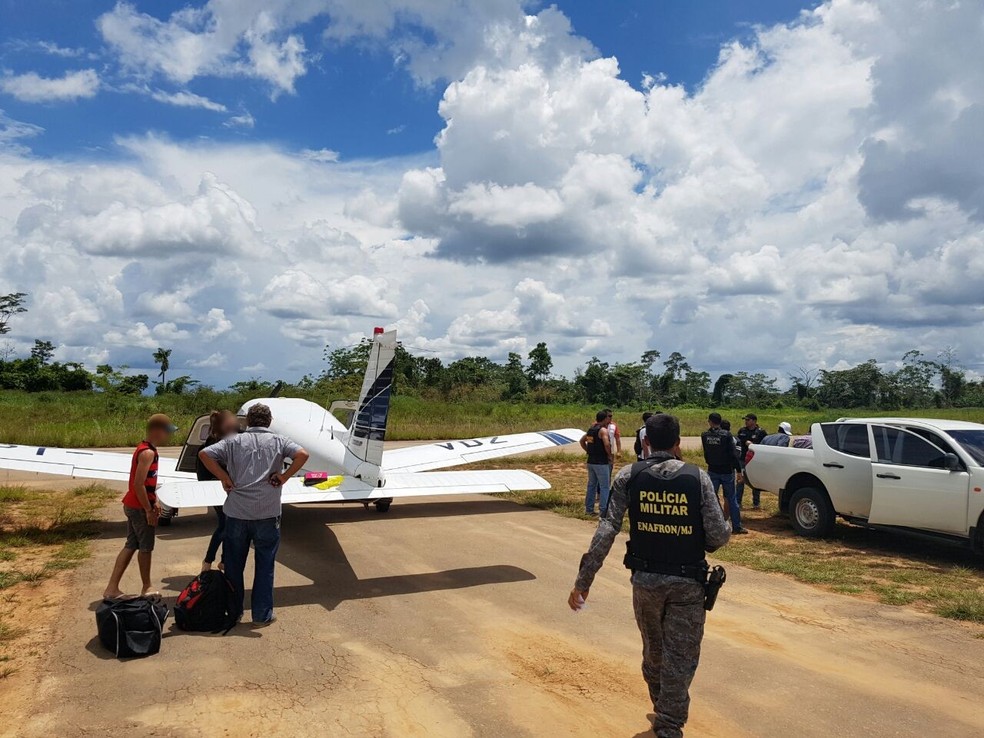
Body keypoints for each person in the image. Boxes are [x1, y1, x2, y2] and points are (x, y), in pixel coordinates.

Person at [569, 413, 731, 738]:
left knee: (654, 655)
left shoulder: (629, 476)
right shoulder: (696, 478)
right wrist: (722, 524)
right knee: (681, 658)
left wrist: (583, 583)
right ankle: (669, 725)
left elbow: (606, 530)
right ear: (679, 443)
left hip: (645, 584)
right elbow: (717, 538)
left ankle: (664, 711)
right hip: (687, 586)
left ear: (644, 441)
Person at [199, 403, 310, 625]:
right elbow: (302, 454)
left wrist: (224, 476)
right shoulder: (280, 441)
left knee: (233, 566)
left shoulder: (233, 441)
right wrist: (285, 476)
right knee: (265, 566)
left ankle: (234, 612)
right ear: (269, 422)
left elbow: (204, 454)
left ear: (248, 422)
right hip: (268, 515)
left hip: (237, 514)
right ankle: (261, 614)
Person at [103, 414, 177, 599]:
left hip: (134, 503)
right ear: (155, 431)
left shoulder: (146, 449)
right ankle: (147, 587)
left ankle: (112, 588)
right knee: (146, 547)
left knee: (131, 545)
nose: (168, 436)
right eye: (166, 431)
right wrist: (148, 509)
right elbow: (138, 484)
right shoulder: (148, 452)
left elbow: (147, 483)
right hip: (138, 507)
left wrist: (156, 500)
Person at [197, 409, 239, 572]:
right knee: (224, 526)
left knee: (228, 525)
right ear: (224, 424)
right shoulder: (213, 444)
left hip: (226, 489)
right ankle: (208, 561)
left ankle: (223, 561)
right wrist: (224, 478)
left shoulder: (226, 438)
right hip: (216, 490)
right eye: (232, 419)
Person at [701, 413, 747, 534]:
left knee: (710, 498)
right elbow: (733, 455)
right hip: (727, 471)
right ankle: (737, 526)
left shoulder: (705, 435)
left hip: (712, 470)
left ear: (710, 421)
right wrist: (738, 470)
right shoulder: (726, 435)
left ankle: (712, 525)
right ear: (720, 422)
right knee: (731, 499)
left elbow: (706, 453)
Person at [580, 410, 613, 516]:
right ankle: (603, 510)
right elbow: (606, 444)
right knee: (604, 486)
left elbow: (582, 441)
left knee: (591, 485)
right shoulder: (603, 430)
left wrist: (588, 451)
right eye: (608, 417)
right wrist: (609, 455)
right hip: (601, 462)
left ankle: (589, 509)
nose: (610, 419)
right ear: (604, 419)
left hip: (591, 461)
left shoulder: (591, 429)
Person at [736, 413, 767, 509]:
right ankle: (738, 502)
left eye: (748, 420)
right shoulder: (742, 431)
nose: (746, 421)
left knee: (755, 481)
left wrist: (753, 444)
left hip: (755, 460)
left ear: (754, 421)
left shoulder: (761, 432)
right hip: (742, 459)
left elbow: (764, 445)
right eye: (745, 420)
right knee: (740, 481)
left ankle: (756, 503)